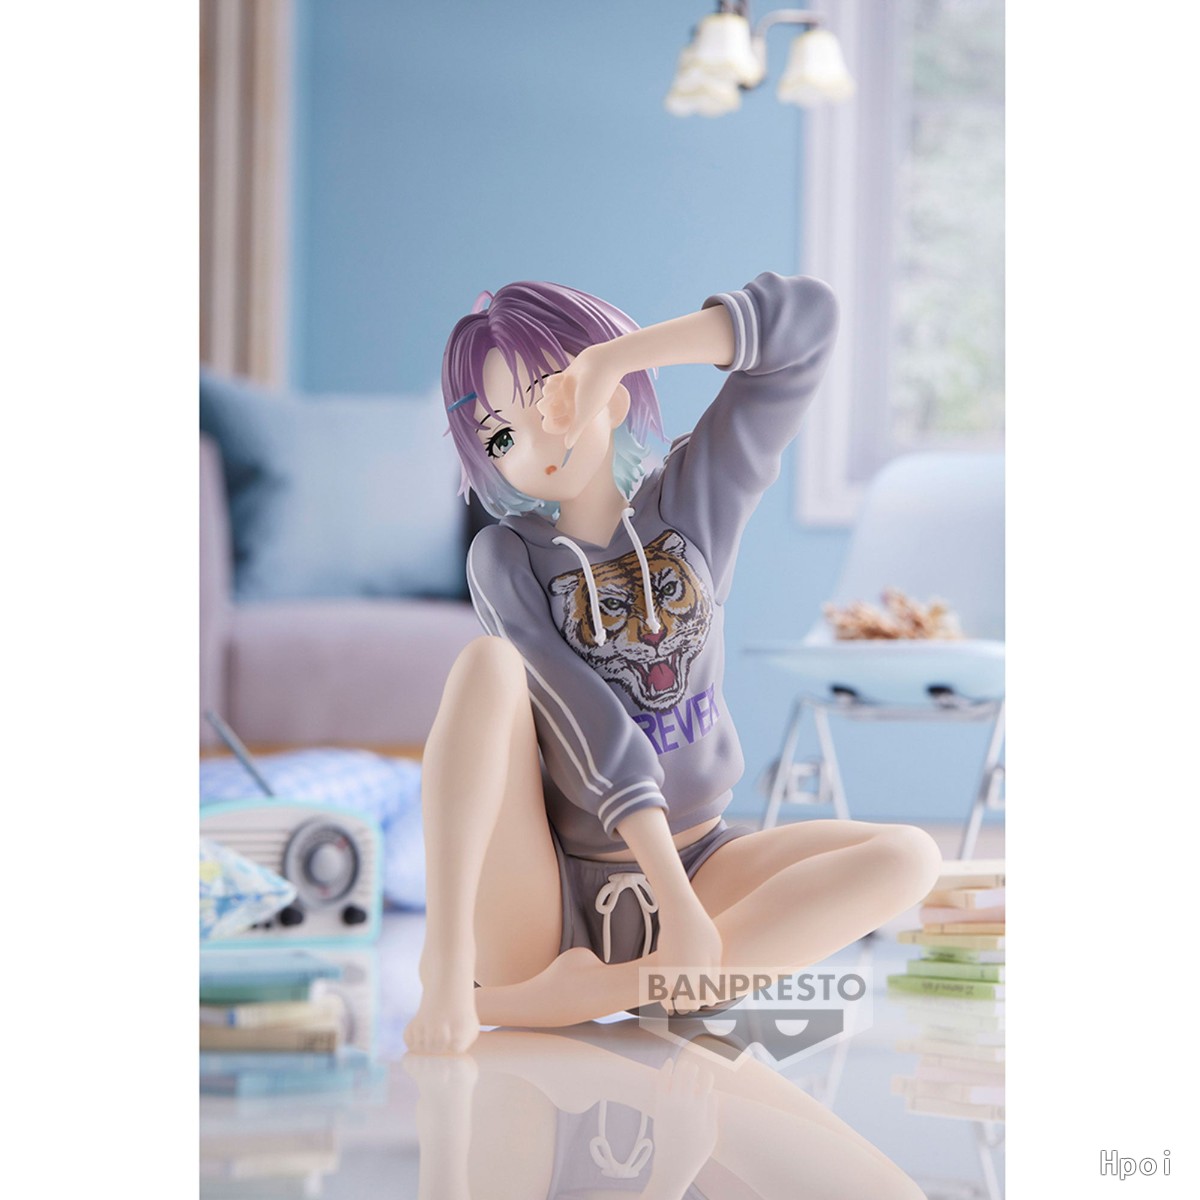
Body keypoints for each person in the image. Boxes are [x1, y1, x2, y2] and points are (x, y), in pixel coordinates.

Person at [404, 273, 941, 1055]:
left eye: (547, 402)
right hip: (549, 903)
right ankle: (453, 971)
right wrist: (676, 907)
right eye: (500, 439)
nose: (530, 447)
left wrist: (614, 356)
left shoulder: (695, 501)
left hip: (706, 863)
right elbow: (588, 722)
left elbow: (807, 324)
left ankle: (597, 996)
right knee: (487, 665)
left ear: (610, 397)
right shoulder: (505, 558)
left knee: (910, 857)